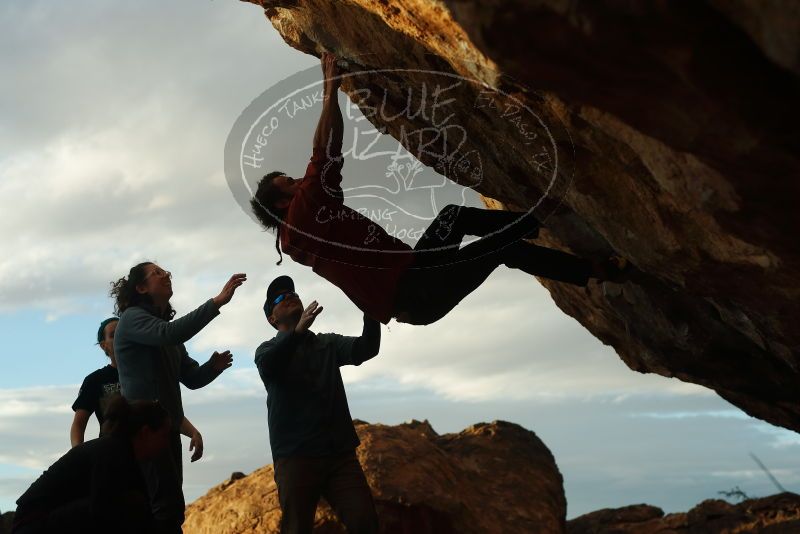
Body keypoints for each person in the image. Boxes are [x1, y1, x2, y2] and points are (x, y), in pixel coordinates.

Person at [249, 52, 629, 326]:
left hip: (415, 267)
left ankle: (534, 224)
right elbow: (324, 153)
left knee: (453, 217)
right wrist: (329, 92)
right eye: (290, 183)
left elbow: (327, 166)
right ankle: (592, 265)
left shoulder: (309, 223)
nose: (299, 181)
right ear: (283, 203)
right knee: (502, 249)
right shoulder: (300, 218)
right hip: (415, 293)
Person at [111, 262, 246, 533]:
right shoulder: (132, 318)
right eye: (157, 273)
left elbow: (192, 379)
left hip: (165, 430)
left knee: (170, 508)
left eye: (165, 272)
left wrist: (212, 367)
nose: (166, 275)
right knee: (161, 509)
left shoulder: (166, 332)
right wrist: (217, 302)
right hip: (142, 431)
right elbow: (170, 333)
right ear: (140, 288)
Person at [255, 275, 380, 534]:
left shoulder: (327, 343)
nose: (289, 295)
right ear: (272, 319)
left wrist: (372, 308)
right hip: (295, 457)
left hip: (339, 455)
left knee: (365, 522)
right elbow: (271, 365)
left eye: (292, 292)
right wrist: (298, 333)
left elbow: (367, 348)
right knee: (296, 529)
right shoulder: (266, 350)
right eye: (279, 298)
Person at [12, 398, 171, 534]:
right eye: (164, 436)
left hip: (50, 520)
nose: (166, 444)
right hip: (31, 524)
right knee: (123, 508)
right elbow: (102, 512)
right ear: (145, 432)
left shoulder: (130, 458)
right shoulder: (112, 451)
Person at [71, 317, 209, 462]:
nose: (119, 337)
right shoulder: (95, 380)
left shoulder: (146, 373)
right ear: (103, 345)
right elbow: (79, 423)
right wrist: (78, 456)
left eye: (122, 332)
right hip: (114, 456)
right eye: (113, 335)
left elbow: (166, 410)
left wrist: (193, 432)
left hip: (151, 452)